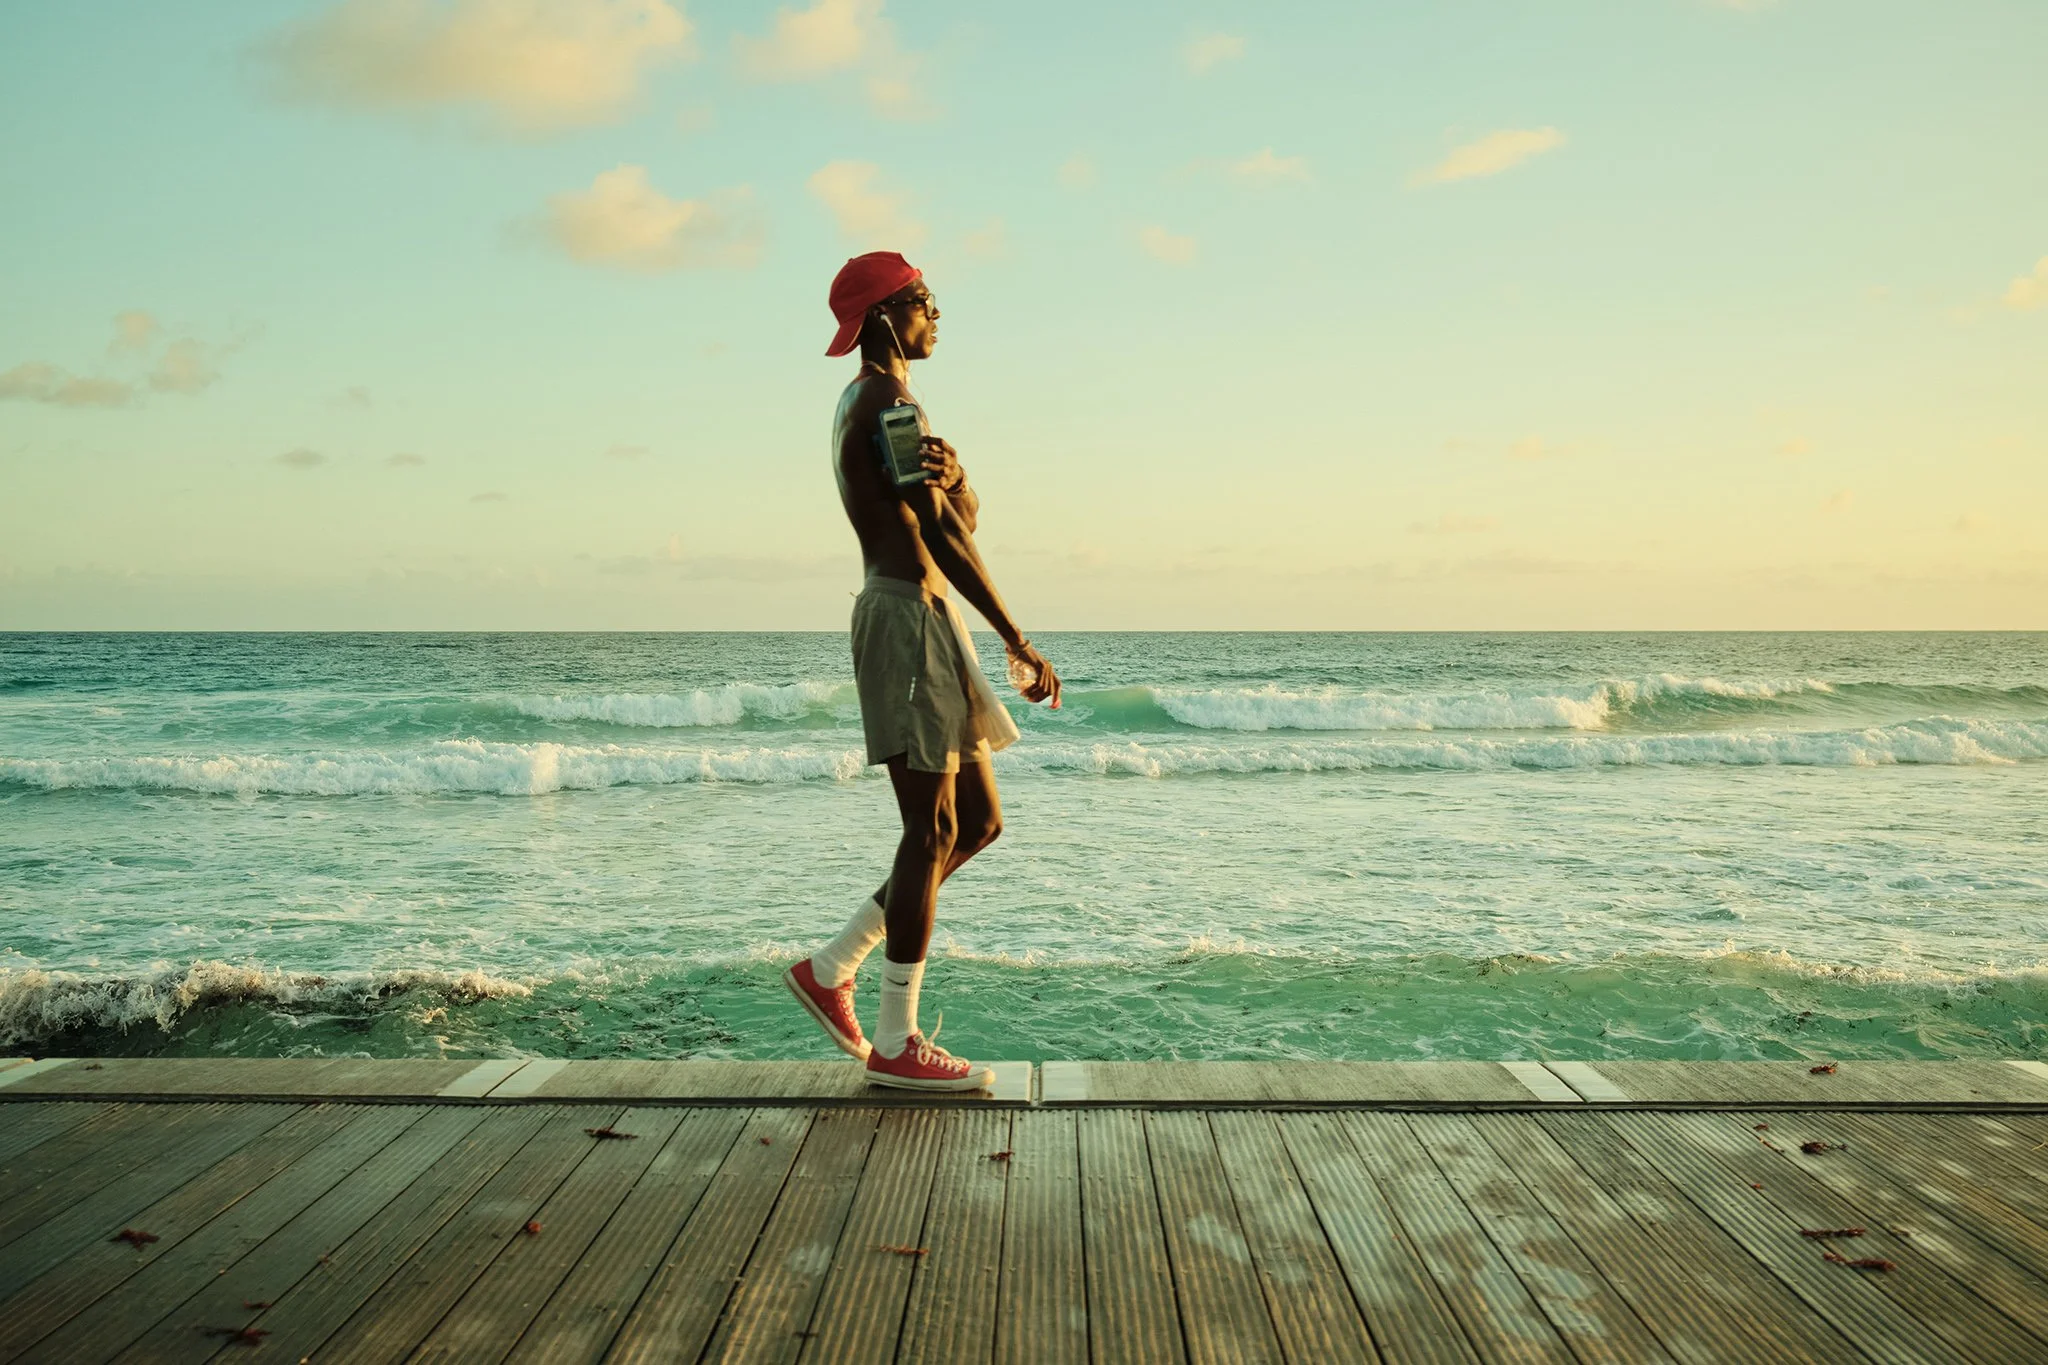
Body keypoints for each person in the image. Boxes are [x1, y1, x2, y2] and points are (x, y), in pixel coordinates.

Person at [783, 251, 1061, 1091]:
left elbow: (955, 508)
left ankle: (833, 965)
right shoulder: (886, 401)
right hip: (907, 615)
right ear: (880, 317)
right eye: (922, 303)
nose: (936, 315)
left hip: (926, 616)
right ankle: (898, 1039)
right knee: (930, 828)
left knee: (976, 821)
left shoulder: (885, 405)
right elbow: (940, 534)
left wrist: (961, 474)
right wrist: (1018, 634)